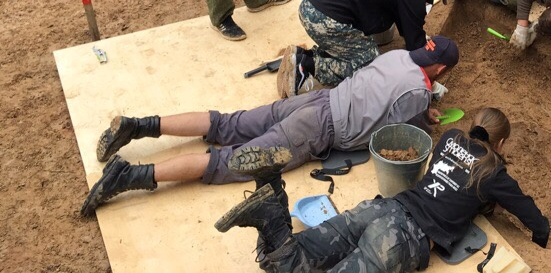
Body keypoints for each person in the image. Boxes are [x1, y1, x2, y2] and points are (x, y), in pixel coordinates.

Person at [80, 37, 460, 217]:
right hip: (316, 131)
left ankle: (139, 125)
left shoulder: (398, 56)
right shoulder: (419, 91)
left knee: (226, 123)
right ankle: (129, 175)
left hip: (316, 101)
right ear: (440, 70)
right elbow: (398, 139)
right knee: (230, 162)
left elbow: (383, 94)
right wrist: (424, 115)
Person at [215, 108, 550, 270]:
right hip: (403, 237)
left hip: (382, 209)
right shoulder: (493, 171)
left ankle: (271, 194)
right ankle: (269, 204)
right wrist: (541, 238)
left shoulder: (449, 138)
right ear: (501, 142)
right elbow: (530, 213)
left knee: (295, 256)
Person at [276, 0, 454, 95]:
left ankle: (302, 54)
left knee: (355, 46)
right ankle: (306, 66)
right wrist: (429, 82)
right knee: (370, 65)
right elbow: (414, 43)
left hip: (312, 4)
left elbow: (405, 23)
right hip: (325, 19)